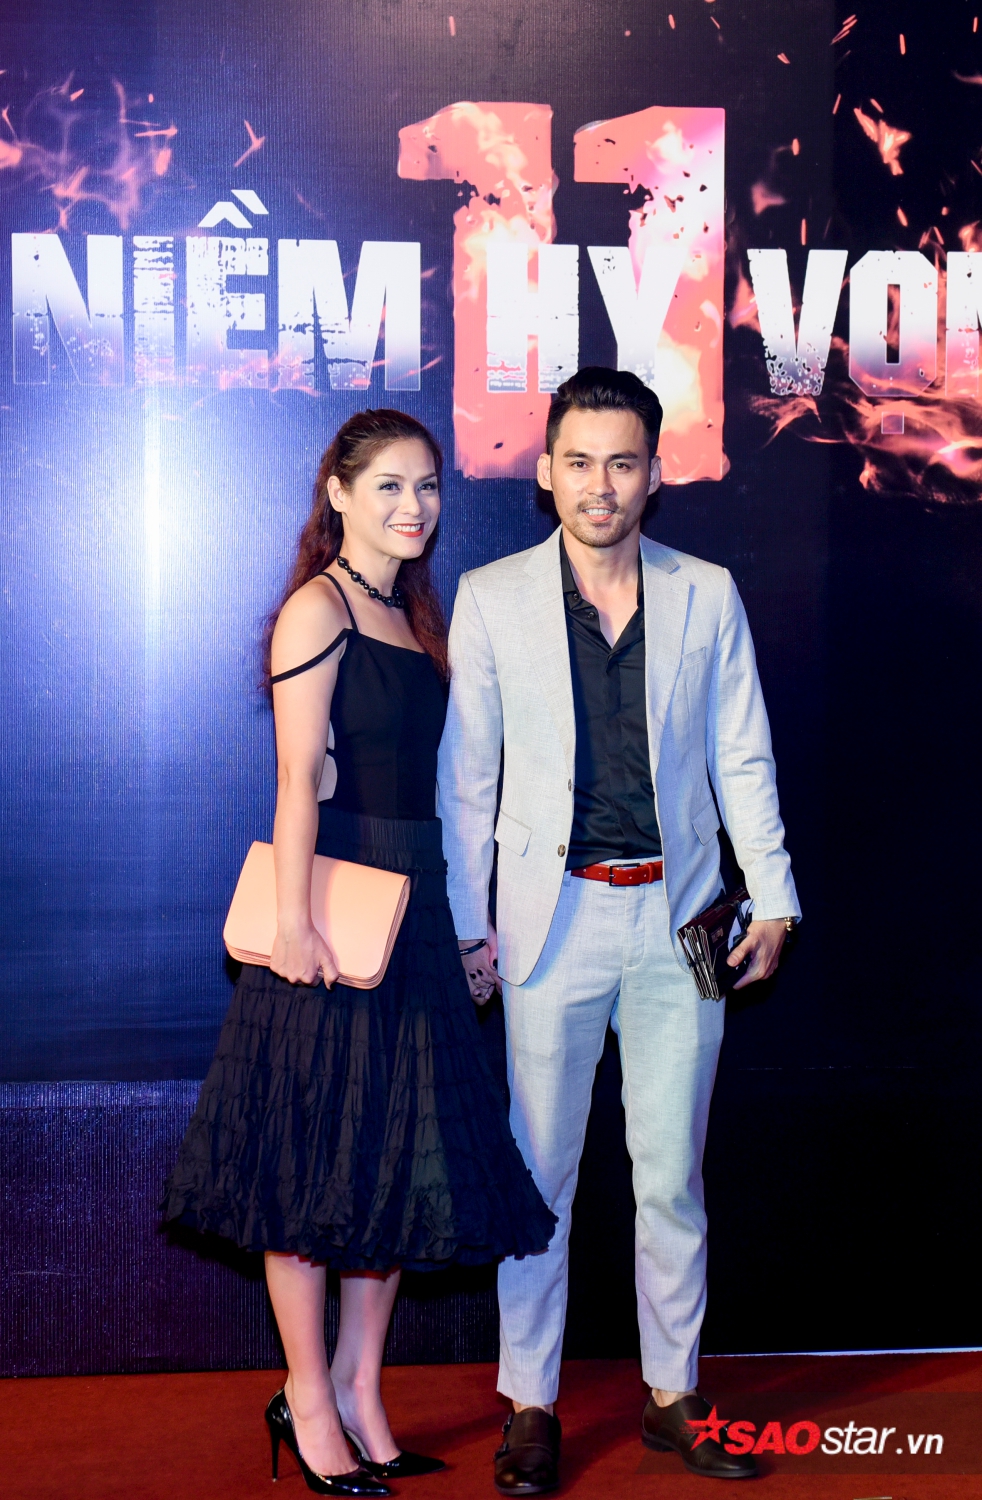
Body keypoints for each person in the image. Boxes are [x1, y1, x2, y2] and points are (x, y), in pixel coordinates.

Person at [163, 409, 556, 1499]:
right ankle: (307, 1398)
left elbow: (445, 785)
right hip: (334, 908)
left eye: (426, 486)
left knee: (392, 1161)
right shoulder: (317, 609)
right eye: (387, 485)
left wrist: (463, 926)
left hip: (414, 904)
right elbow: (298, 779)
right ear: (336, 492)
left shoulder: (412, 614)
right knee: (306, 1165)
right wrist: (291, 924)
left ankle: (362, 1393)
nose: (413, 506)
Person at [438, 368, 801, 1491]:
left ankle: (673, 1395)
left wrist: (775, 893)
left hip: (681, 920)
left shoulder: (707, 594)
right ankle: (530, 1403)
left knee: (671, 1175)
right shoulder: (492, 598)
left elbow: (742, 752)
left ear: (654, 475)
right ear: (546, 473)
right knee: (538, 1174)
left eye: (624, 462)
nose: (601, 484)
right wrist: (468, 925)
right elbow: (468, 782)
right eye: (580, 461)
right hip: (547, 922)